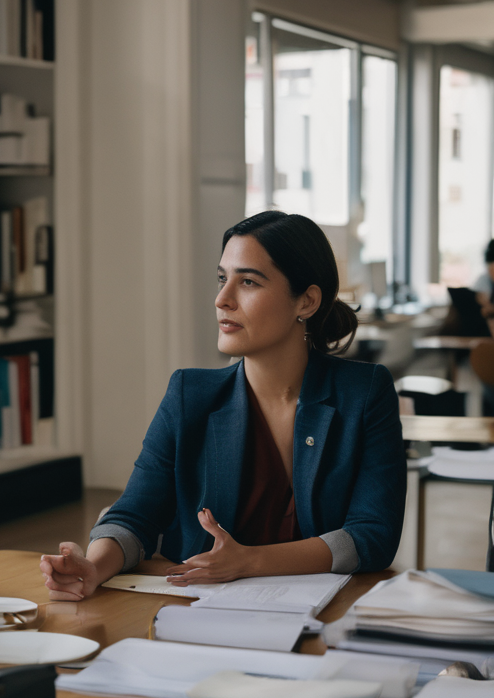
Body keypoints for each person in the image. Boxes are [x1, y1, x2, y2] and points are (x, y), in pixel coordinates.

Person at [42, 210, 406, 602]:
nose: (222, 299)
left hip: (326, 615)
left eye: (247, 281)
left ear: (306, 301)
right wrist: (94, 567)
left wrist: (249, 562)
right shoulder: (189, 394)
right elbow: (135, 515)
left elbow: (373, 535)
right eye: (222, 278)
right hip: (200, 614)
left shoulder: (365, 393)